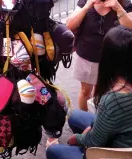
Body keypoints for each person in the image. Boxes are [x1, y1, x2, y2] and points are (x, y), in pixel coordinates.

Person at [47, 25, 132, 159]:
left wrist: (78, 139)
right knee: (74, 116)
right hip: (123, 137)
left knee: (52, 150)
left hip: (115, 152)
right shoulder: (122, 89)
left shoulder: (113, 100)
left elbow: (95, 142)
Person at [67, 0, 132, 111]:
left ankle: (101, 123)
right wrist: (86, 7)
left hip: (111, 60)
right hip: (86, 58)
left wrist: (118, 9)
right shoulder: (86, 1)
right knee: (85, 92)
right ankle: (85, 122)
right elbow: (70, 25)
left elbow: (130, 27)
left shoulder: (124, 5)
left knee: (105, 94)